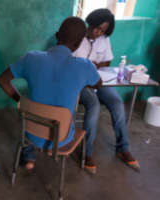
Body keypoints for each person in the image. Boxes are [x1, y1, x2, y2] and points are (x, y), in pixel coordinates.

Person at [0, 17, 102, 170]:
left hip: (31, 132)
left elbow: (2, 80)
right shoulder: (84, 66)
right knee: (88, 108)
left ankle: (29, 154)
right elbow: (98, 84)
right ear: (79, 43)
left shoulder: (31, 57)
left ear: (57, 35)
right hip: (62, 139)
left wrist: (20, 101)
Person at [73, 8, 140, 174]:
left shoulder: (103, 39)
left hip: (97, 80)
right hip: (79, 83)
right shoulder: (76, 34)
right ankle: (87, 153)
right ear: (91, 22)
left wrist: (95, 66)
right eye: (97, 28)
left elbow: (107, 61)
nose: (98, 33)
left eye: (102, 30)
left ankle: (122, 148)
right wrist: (87, 67)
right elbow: (68, 63)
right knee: (94, 106)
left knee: (117, 103)